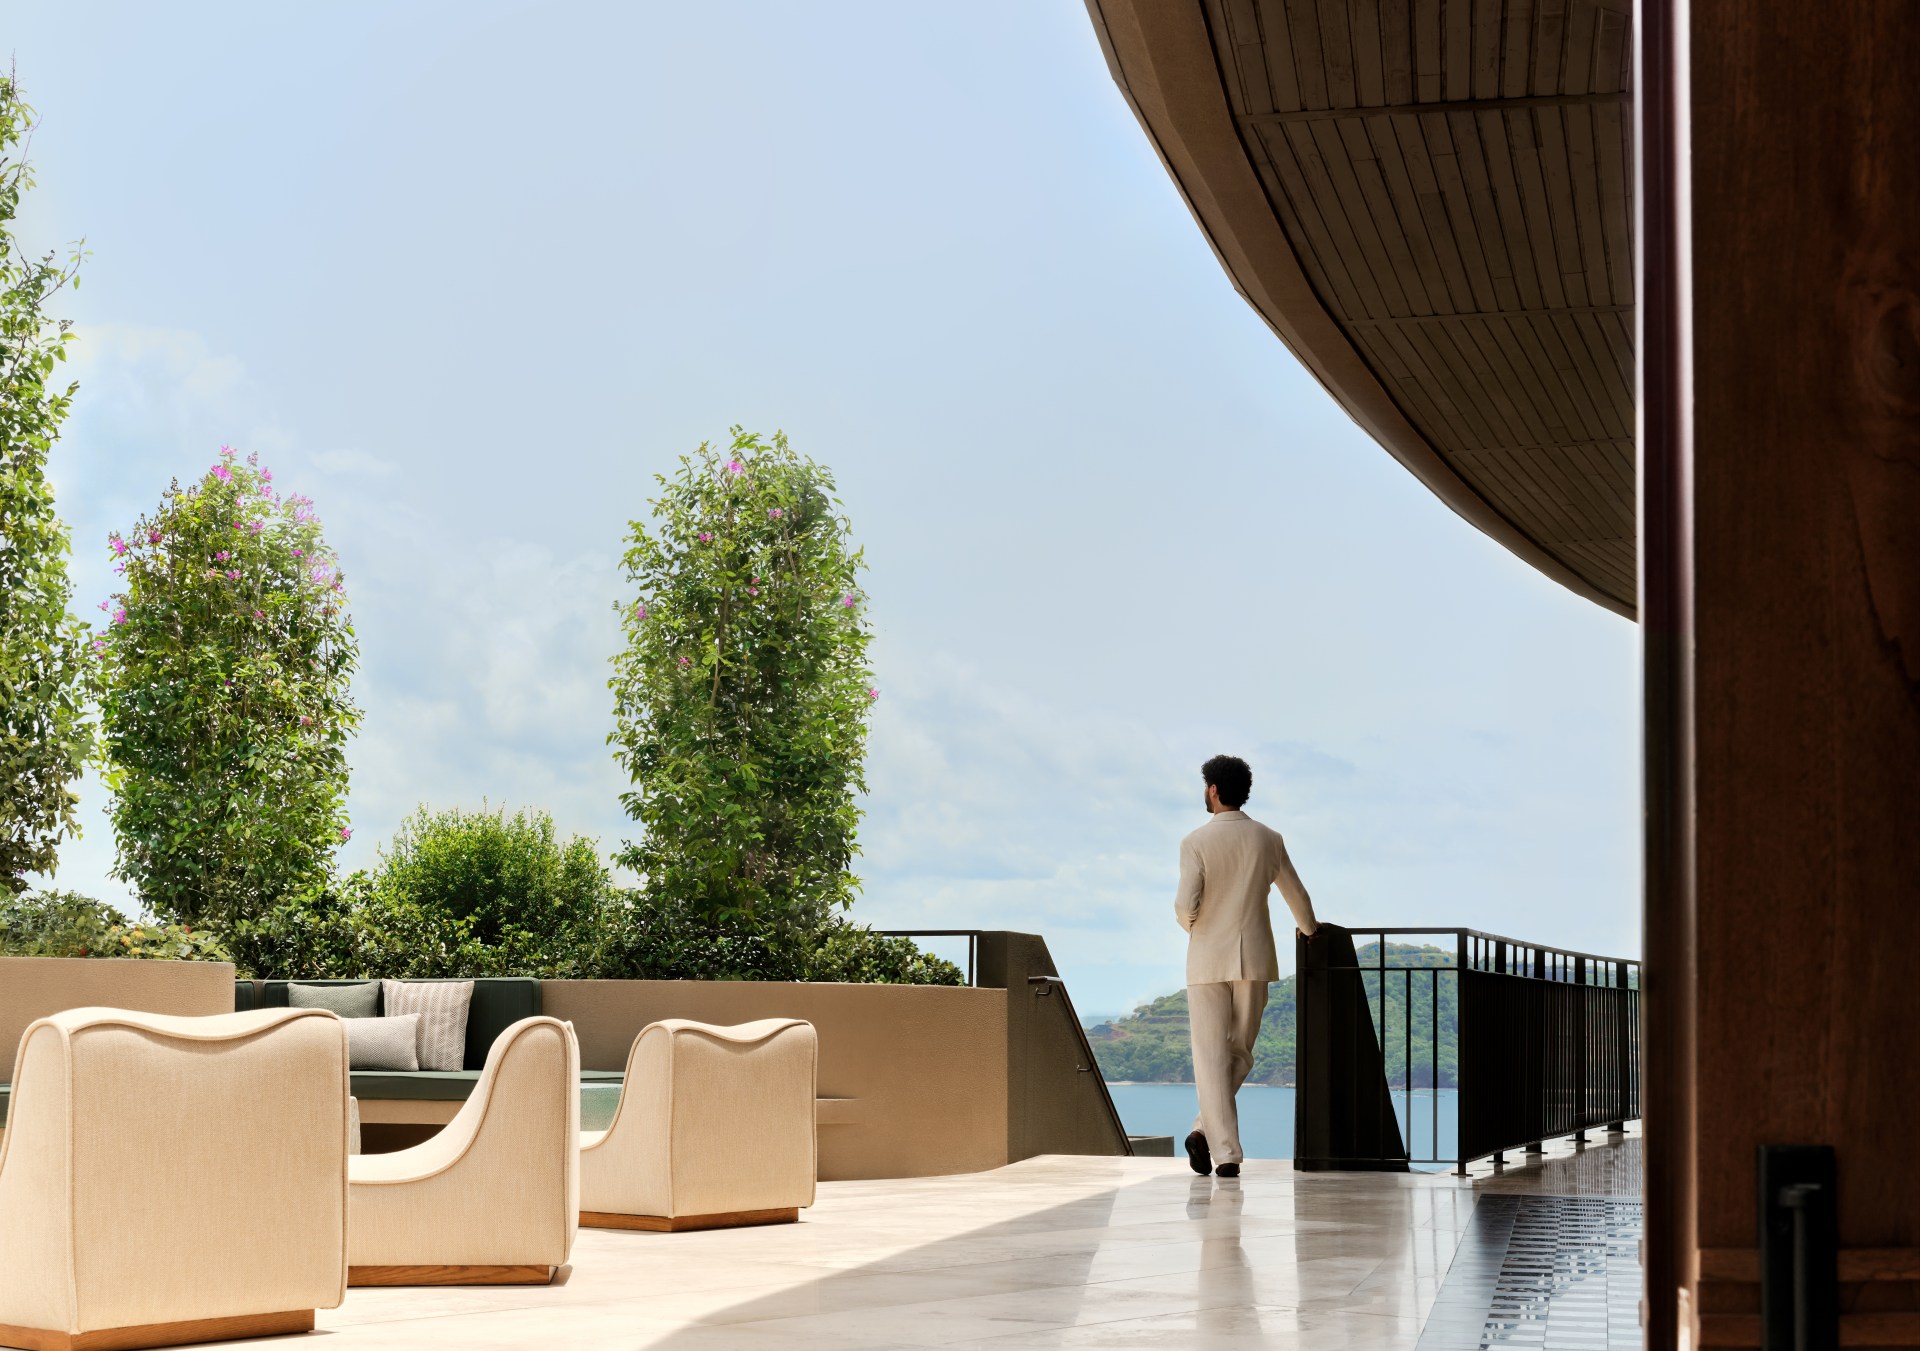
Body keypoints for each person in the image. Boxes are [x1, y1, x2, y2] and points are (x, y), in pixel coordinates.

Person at [1174, 754, 1319, 1177]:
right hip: (1254, 959)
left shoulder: (1194, 842)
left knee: (1209, 1056)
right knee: (1239, 1051)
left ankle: (1210, 1137)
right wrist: (1309, 930)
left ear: (1214, 790)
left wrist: (1197, 928)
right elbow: (1298, 896)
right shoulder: (1268, 839)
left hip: (1205, 960)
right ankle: (1224, 1150)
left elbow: (1185, 905)